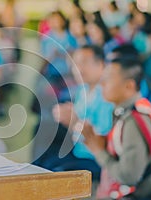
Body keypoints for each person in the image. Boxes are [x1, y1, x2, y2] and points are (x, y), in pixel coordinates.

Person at [81, 51, 151, 199]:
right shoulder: (127, 111)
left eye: (108, 79)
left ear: (129, 86)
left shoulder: (133, 121)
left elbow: (129, 176)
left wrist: (99, 151)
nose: (102, 83)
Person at [51, 45, 113, 180]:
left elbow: (103, 140)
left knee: (55, 173)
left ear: (101, 64)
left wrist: (75, 121)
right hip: (77, 151)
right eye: (75, 64)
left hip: (94, 159)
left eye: (84, 63)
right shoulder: (83, 89)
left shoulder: (108, 94)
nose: (78, 69)